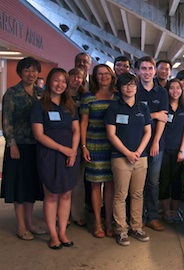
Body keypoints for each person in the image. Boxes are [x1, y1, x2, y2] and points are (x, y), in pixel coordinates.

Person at [31, 68, 80, 249]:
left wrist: (73, 151)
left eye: (63, 82)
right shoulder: (40, 106)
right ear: (49, 81)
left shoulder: (70, 105)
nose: (60, 84)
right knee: (51, 195)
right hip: (49, 154)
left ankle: (62, 232)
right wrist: (63, 149)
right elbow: (38, 134)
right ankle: (53, 235)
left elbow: (76, 130)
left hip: (70, 154)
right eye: (56, 80)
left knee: (67, 193)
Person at [1, 57, 47, 240]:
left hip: (37, 146)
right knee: (19, 188)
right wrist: (11, 144)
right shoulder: (11, 93)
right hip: (18, 147)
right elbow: (7, 121)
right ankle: (21, 226)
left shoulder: (41, 93)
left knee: (30, 187)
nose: (31, 74)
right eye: (27, 70)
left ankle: (30, 223)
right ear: (20, 72)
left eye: (34, 70)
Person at [105, 73, 152, 246]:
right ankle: (121, 230)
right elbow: (111, 134)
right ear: (119, 88)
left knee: (138, 194)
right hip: (120, 157)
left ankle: (136, 227)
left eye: (132, 84)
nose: (129, 88)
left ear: (137, 87)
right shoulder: (113, 107)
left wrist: (138, 152)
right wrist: (127, 153)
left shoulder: (142, 107)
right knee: (120, 194)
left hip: (141, 158)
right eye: (125, 85)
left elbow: (148, 132)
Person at [80, 64, 119, 238]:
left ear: (112, 76)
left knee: (111, 185)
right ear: (94, 77)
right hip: (94, 145)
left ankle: (109, 221)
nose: (103, 77)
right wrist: (83, 146)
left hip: (113, 146)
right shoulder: (88, 97)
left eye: (106, 74)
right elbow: (83, 123)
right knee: (95, 185)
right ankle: (97, 222)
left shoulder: (118, 97)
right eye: (99, 74)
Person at [135, 56, 168, 232]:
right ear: (137, 71)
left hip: (156, 144)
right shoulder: (134, 90)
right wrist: (154, 115)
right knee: (138, 184)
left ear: (154, 71)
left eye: (150, 68)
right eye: (143, 68)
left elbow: (164, 119)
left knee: (153, 183)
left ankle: (152, 217)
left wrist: (155, 142)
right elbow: (135, 117)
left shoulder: (162, 92)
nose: (147, 72)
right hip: (137, 144)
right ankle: (137, 217)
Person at [159, 78, 184, 224]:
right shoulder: (163, 107)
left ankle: (175, 210)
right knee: (164, 181)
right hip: (163, 149)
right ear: (167, 90)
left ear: (182, 90)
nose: (175, 91)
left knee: (177, 181)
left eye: (177, 88)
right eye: (172, 88)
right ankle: (166, 211)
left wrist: (182, 150)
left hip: (178, 150)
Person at [67, 68, 88, 227]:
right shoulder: (59, 95)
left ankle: (77, 214)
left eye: (79, 77)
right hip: (61, 140)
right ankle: (62, 214)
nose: (76, 79)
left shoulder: (84, 96)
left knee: (78, 181)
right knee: (62, 179)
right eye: (73, 76)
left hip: (80, 141)